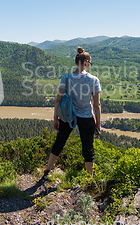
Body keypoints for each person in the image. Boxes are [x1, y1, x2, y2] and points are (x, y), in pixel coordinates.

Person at [43, 46, 101, 180]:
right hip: (86, 117)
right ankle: (89, 178)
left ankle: (48, 170)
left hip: (68, 116)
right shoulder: (94, 80)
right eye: (90, 63)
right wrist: (98, 124)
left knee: (59, 143)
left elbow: (58, 100)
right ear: (86, 63)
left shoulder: (66, 78)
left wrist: (55, 118)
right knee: (88, 148)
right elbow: (97, 105)